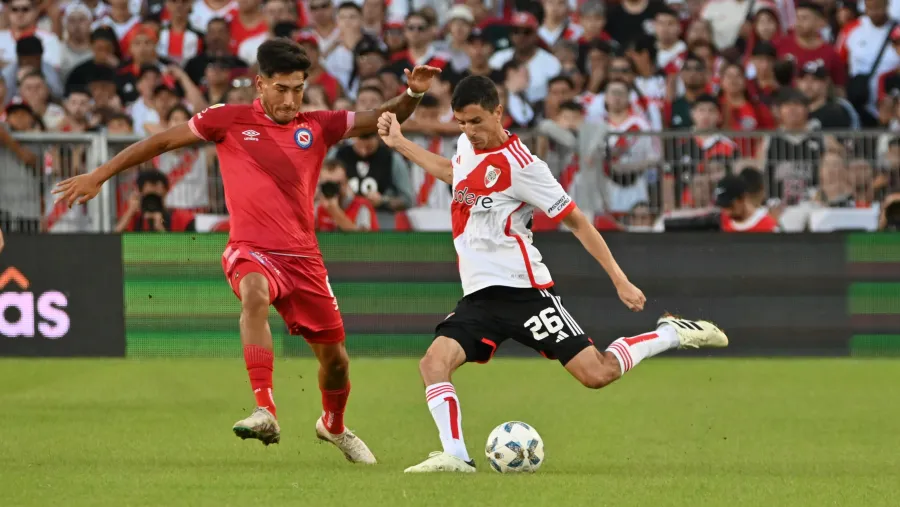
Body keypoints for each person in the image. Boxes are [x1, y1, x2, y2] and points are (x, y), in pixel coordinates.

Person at [54, 38, 441, 461]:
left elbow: (382, 116)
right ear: (260, 84)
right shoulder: (228, 119)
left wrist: (413, 92)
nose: (290, 100)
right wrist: (100, 174)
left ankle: (333, 427)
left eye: (298, 89)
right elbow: (161, 142)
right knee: (254, 294)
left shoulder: (319, 124)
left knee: (336, 362)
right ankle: (265, 409)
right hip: (251, 248)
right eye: (281, 89)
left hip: (304, 260)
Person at [377, 75, 728, 473]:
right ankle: (456, 455)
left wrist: (619, 278)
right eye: (461, 122)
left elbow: (578, 222)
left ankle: (670, 333)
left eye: (476, 121)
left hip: (526, 294)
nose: (469, 131)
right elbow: (452, 173)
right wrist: (400, 142)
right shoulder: (465, 146)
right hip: (479, 298)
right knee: (432, 363)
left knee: (597, 374)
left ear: (497, 112)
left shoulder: (525, 167)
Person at [716, 174, 780, 232]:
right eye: (723, 206)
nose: (727, 212)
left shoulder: (768, 227)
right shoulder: (723, 220)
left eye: (730, 206)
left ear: (743, 197)